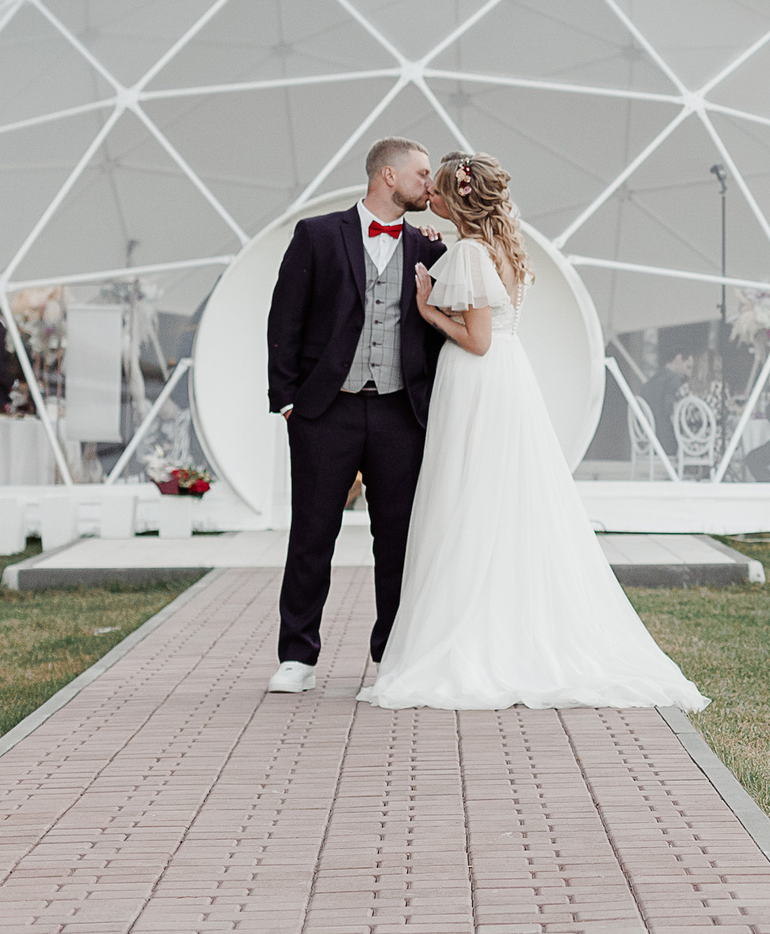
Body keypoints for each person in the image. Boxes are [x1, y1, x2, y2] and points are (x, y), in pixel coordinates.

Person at [362, 152, 707, 711]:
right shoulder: (502, 246)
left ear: (459, 199)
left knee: (466, 499)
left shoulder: (470, 252)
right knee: (499, 502)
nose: (432, 197)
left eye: (440, 191)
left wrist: (428, 311)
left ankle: (470, 635)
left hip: (477, 379)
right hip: (508, 378)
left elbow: (477, 341)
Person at [263, 137, 446, 694]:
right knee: (312, 535)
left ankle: (391, 654)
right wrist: (287, 401)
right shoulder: (317, 235)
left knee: (397, 540)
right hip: (326, 410)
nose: (430, 184)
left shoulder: (430, 247)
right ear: (388, 175)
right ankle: (297, 657)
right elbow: (284, 318)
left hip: (400, 413)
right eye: (421, 174)